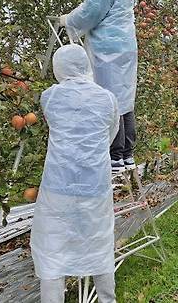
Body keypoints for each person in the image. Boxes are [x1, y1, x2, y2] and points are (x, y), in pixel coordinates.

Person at [44, 0, 137, 172]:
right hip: (125, 44)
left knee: (111, 96)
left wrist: (68, 20)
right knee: (125, 96)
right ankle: (127, 153)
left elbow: (92, 10)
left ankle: (115, 155)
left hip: (109, 48)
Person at [31, 45, 120, 303]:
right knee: (99, 241)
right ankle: (107, 299)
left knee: (52, 246)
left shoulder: (50, 96)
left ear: (59, 67)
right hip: (96, 184)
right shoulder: (107, 98)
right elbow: (110, 135)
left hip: (58, 185)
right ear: (87, 64)